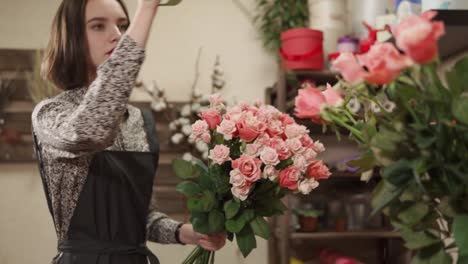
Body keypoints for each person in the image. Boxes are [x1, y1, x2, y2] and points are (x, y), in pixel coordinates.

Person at [31, 0, 226, 263]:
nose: (117, 35)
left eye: (123, 25)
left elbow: (139, 217)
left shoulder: (139, 121)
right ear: (71, 38)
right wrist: (147, 9)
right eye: (98, 26)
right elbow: (92, 129)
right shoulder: (51, 114)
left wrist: (184, 232)